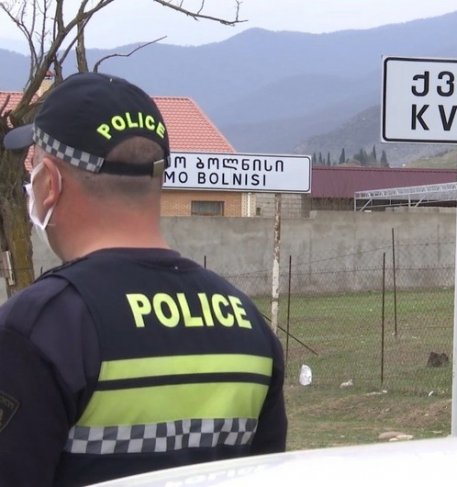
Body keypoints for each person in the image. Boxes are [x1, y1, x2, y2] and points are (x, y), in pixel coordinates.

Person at [0, 72, 287, 486]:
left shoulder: (37, 330)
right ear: (158, 179)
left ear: (50, 183)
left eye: (33, 168)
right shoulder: (248, 325)